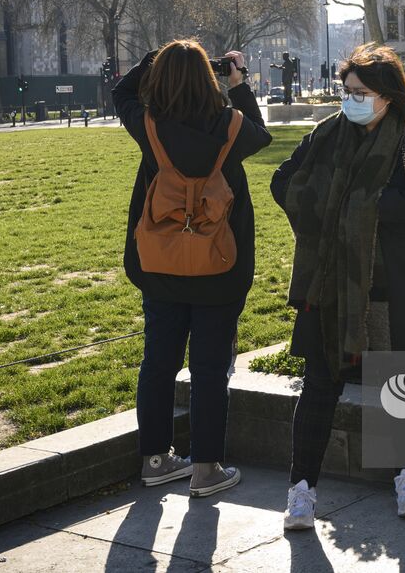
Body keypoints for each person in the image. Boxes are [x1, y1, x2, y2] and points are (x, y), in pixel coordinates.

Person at [271, 43, 405, 531]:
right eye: (346, 91)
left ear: (388, 97)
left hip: (390, 287)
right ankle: (301, 492)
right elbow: (282, 181)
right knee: (319, 387)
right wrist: (323, 210)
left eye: (360, 92)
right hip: (332, 285)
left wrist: (380, 204)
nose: (350, 100)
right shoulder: (325, 137)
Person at [113, 40, 271, 498]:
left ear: (159, 79)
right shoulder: (232, 127)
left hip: (160, 265)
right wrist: (237, 83)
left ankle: (156, 459)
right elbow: (261, 135)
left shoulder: (149, 127)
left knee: (158, 363)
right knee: (208, 369)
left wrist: (153, 62)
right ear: (210, 78)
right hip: (219, 267)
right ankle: (206, 467)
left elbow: (121, 93)